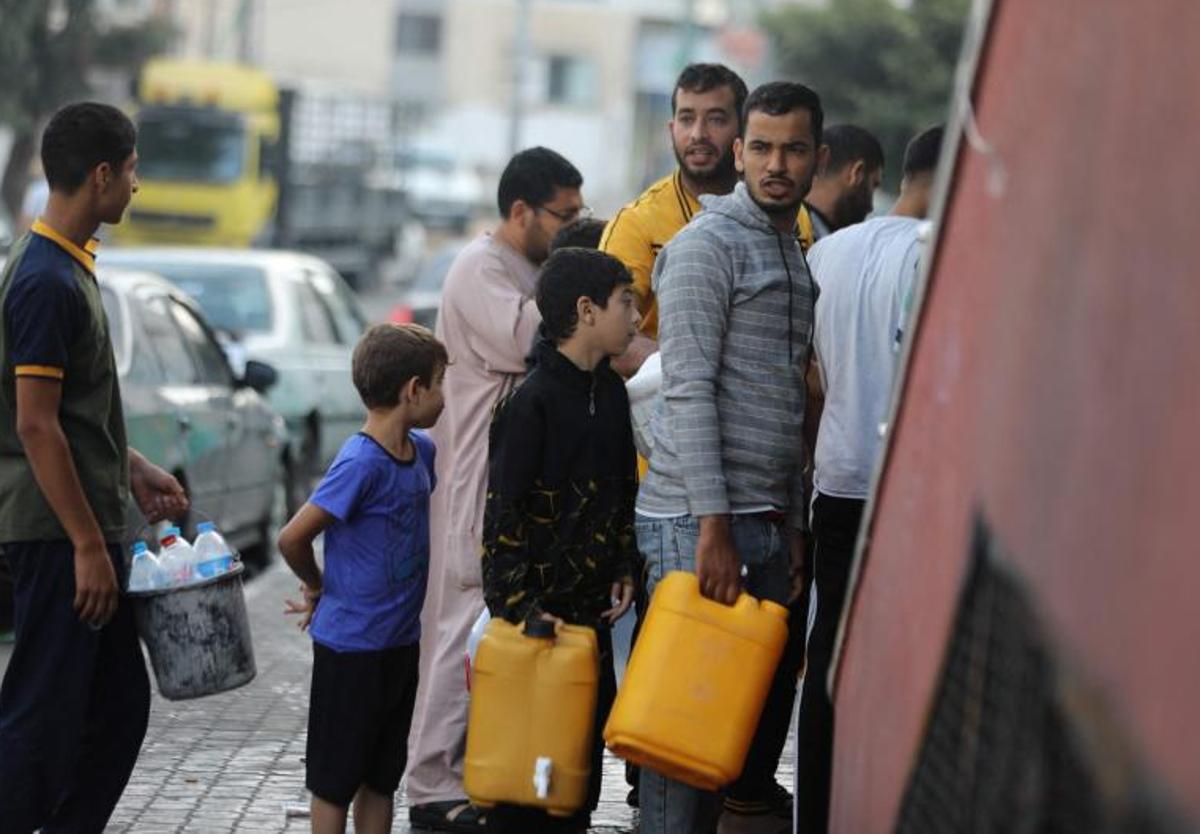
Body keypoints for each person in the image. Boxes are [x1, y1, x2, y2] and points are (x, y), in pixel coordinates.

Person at [633, 81, 824, 834]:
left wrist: (798, 525)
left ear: (816, 157)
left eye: (795, 148)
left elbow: (787, 398)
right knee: (680, 750)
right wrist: (712, 526)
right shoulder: (704, 246)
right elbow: (688, 392)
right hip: (697, 522)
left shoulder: (794, 245)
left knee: (726, 748)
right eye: (764, 147)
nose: (778, 163)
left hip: (769, 520)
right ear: (741, 153)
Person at [0, 101, 190, 832]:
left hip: (83, 519)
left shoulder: (65, 266)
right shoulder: (43, 280)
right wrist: (86, 545)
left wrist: (131, 465)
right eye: (134, 169)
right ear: (103, 174)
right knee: (43, 715)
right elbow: (35, 424)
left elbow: (71, 413)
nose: (137, 186)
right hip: (55, 533)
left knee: (114, 711)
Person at [406, 146, 586, 834]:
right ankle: (431, 786)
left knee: (493, 632)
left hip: (512, 482)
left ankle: (474, 776)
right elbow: (538, 340)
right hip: (476, 479)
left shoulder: (531, 266)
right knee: (461, 631)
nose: (571, 226)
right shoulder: (480, 268)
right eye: (563, 215)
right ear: (520, 212)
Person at [796, 124, 945, 834]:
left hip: (838, 482)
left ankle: (819, 812)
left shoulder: (829, 251)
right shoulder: (938, 255)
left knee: (832, 649)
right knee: (916, 658)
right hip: (912, 492)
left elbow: (811, 376)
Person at [481, 247, 640, 832]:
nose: (636, 317)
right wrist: (524, 613)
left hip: (589, 624)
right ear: (586, 310)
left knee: (576, 785)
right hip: (534, 631)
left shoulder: (614, 394)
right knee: (523, 787)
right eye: (626, 303)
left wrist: (624, 565)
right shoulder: (532, 403)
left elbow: (624, 493)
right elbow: (501, 520)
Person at [278, 323, 448, 834]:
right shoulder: (359, 463)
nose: (445, 397)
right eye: (440, 383)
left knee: (381, 777)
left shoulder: (423, 452)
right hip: (350, 650)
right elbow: (292, 538)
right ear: (412, 391)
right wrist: (318, 585)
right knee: (335, 780)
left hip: (399, 644)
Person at [600, 63, 818, 379]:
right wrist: (701, 366)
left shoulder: (794, 217)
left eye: (716, 119)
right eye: (687, 119)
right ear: (671, 128)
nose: (698, 134)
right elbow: (606, 334)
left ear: (742, 135)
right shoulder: (638, 222)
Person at [804, 124, 885, 241]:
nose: (870, 207)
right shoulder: (816, 244)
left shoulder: (784, 225)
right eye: (873, 185)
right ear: (857, 173)